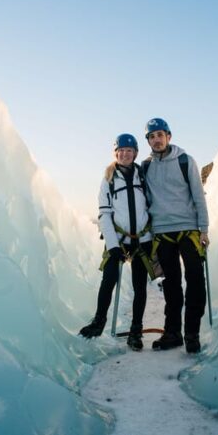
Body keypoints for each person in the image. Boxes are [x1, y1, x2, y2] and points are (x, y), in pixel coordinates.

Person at [79, 133, 154, 351]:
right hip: (118, 239)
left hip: (141, 240)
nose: (125, 154)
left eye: (129, 150)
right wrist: (113, 246)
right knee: (109, 279)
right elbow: (104, 214)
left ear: (135, 153)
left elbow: (150, 206)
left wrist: (149, 238)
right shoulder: (108, 179)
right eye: (121, 150)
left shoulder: (143, 175)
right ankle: (98, 321)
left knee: (140, 286)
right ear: (116, 153)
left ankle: (136, 330)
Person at [142, 117, 209, 354]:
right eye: (152, 136)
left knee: (195, 281)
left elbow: (198, 195)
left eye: (160, 135)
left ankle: (192, 334)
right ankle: (173, 334)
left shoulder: (184, 161)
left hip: (189, 229)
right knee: (171, 286)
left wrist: (204, 229)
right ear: (148, 140)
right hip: (162, 232)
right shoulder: (146, 166)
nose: (156, 139)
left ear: (168, 136)